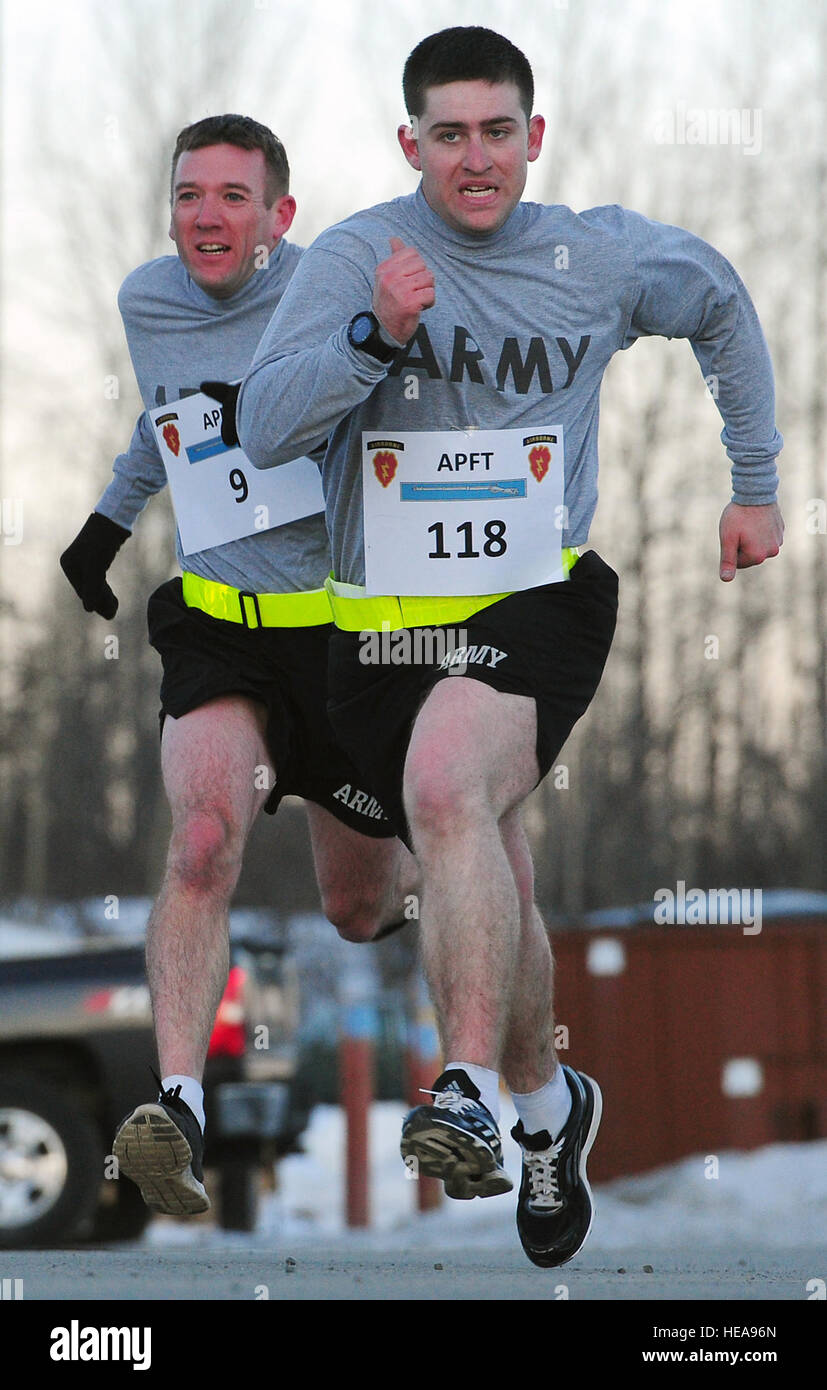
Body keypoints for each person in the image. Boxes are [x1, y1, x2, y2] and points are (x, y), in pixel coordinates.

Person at [234, 28, 784, 1267]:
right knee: (377, 890)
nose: (473, 158)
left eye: (496, 130)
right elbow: (263, 427)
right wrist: (371, 334)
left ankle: (469, 1084)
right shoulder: (353, 257)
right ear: (409, 143)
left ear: (531, 136)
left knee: (445, 790)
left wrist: (751, 482)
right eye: (447, 134)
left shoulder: (592, 254)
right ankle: (549, 1105)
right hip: (376, 623)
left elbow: (721, 306)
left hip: (538, 591)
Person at [60, 114, 418, 1219]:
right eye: (189, 195)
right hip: (220, 620)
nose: (206, 217)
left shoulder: (327, 292)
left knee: (356, 910)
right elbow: (164, 419)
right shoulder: (146, 300)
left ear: (279, 217)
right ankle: (176, 1105)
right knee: (203, 836)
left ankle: (436, 852)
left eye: (231, 198)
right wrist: (108, 523)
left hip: (344, 636)